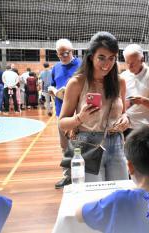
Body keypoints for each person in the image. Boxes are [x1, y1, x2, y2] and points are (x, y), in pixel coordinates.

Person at [59, 31, 129, 182]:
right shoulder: (77, 83)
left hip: (116, 143)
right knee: (95, 196)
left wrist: (125, 118)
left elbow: (123, 112)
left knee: (119, 193)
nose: (107, 64)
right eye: (101, 58)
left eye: (112, 58)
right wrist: (80, 118)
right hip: (87, 143)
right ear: (91, 57)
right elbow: (62, 122)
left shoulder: (120, 82)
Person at [50, 39, 82, 189]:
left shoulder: (82, 65)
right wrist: (54, 91)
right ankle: (68, 176)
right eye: (60, 53)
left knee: (81, 145)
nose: (64, 56)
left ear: (72, 51)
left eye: (66, 53)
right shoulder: (55, 68)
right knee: (65, 147)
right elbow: (51, 85)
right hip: (61, 112)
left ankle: (85, 175)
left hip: (80, 113)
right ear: (57, 53)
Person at [120, 44, 149, 138]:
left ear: (142, 60)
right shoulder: (123, 76)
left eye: (133, 63)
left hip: (144, 128)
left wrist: (143, 101)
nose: (129, 67)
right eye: (127, 63)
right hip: (125, 126)